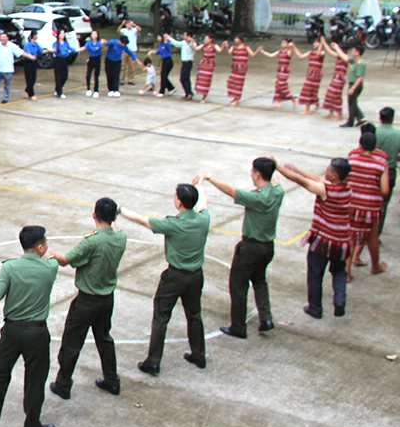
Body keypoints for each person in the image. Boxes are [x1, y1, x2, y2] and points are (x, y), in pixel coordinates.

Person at [0, 225, 58, 427]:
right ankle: (31, 425)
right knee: (35, 379)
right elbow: (55, 258)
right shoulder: (50, 268)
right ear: (39, 247)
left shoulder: (9, 268)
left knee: (0, 374)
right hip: (36, 331)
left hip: (11, 330)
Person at [123, 183, 210, 376]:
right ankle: (199, 353)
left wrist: (121, 210)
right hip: (196, 275)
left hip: (175, 276)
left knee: (161, 317)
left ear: (179, 201)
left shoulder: (174, 224)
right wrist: (201, 185)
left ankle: (153, 361)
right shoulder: (203, 219)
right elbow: (204, 203)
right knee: (194, 315)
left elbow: (143, 221)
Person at [48, 198, 126, 400]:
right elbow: (114, 228)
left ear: (94, 215)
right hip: (107, 299)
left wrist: (49, 253)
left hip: (87, 301)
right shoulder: (120, 238)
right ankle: (112, 379)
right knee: (104, 339)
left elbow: (66, 261)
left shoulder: (92, 242)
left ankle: (63, 383)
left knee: (72, 342)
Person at [202, 159, 284, 339]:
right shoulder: (277, 191)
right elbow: (276, 178)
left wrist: (209, 178)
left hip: (251, 247)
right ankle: (266, 317)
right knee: (260, 280)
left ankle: (238, 326)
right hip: (267, 247)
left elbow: (231, 191)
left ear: (257, 174)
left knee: (238, 286)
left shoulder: (256, 198)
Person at [276, 157, 353, 318]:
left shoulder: (326, 191)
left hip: (324, 240)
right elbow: (317, 179)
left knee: (315, 272)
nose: (326, 170)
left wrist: (278, 167)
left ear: (335, 175)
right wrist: (296, 168)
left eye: (329, 169)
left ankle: (315, 308)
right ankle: (339, 300)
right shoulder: (348, 188)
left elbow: (302, 182)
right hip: (342, 240)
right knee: (339, 271)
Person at [346, 130, 389, 277]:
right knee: (372, 237)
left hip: (352, 203)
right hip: (371, 206)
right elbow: (385, 190)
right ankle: (375, 266)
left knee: (351, 237)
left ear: (360, 144)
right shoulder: (381, 163)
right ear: (374, 147)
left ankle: (347, 271)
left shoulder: (351, 159)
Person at [0, 32, 34, 103]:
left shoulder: (12, 46)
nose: (3, 39)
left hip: (8, 69)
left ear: (7, 38)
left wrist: (30, 56)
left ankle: (5, 98)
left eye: (4, 37)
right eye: (1, 37)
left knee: (7, 84)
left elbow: (21, 52)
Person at [259, 38, 301, 109]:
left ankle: (293, 99)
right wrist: (262, 51)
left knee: (282, 86)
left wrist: (291, 46)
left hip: (284, 71)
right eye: (282, 43)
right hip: (279, 70)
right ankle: (278, 102)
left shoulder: (288, 52)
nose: (282, 44)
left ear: (287, 45)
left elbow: (290, 52)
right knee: (277, 85)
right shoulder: (280, 51)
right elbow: (271, 55)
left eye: (284, 43)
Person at [377, 107, 399, 231]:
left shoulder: (373, 132)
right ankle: (376, 233)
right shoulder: (397, 134)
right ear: (392, 118)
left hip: (373, 171)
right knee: (383, 204)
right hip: (390, 171)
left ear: (380, 118)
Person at [225, 36, 259, 106]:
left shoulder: (246, 47)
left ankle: (236, 99)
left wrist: (258, 50)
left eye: (236, 39)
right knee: (231, 81)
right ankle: (234, 97)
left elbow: (252, 54)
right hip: (234, 68)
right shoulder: (233, 47)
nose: (235, 40)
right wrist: (226, 47)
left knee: (238, 84)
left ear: (240, 40)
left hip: (241, 69)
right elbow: (228, 53)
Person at [322, 41, 349, 121]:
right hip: (335, 78)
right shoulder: (339, 56)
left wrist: (337, 47)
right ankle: (331, 112)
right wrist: (324, 43)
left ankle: (339, 115)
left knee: (336, 96)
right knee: (330, 94)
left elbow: (344, 57)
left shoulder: (345, 56)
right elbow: (330, 52)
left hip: (340, 79)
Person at [298, 38, 326, 115]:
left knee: (309, 90)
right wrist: (293, 47)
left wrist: (322, 44)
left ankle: (307, 109)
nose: (314, 44)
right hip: (310, 72)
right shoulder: (311, 52)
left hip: (316, 74)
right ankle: (317, 104)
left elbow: (318, 54)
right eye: (314, 42)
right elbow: (301, 56)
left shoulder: (323, 52)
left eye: (317, 43)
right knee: (312, 90)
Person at [341, 45, 367, 128]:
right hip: (352, 83)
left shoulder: (361, 63)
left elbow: (360, 77)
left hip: (355, 84)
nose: (352, 51)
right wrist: (336, 48)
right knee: (352, 102)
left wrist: (353, 88)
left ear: (357, 52)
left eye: (354, 50)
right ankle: (360, 118)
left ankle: (351, 121)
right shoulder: (355, 60)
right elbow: (345, 58)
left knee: (352, 103)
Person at [194, 35, 224, 104]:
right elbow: (195, 49)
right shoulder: (203, 45)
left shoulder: (214, 46)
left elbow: (220, 50)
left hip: (209, 65)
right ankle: (200, 93)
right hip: (203, 64)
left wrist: (223, 45)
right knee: (201, 79)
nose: (205, 40)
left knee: (206, 81)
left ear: (210, 40)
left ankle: (204, 97)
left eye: (206, 39)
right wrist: (192, 42)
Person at [171, 31, 195, 100]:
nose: (183, 36)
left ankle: (189, 93)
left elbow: (194, 47)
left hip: (188, 62)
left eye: (185, 35)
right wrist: (170, 38)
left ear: (188, 36)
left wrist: (191, 41)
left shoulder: (192, 43)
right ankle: (188, 92)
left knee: (184, 78)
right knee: (184, 78)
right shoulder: (183, 43)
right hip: (184, 63)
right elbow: (176, 43)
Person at [51, 29, 73, 99]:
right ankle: (60, 92)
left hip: (64, 60)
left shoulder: (66, 43)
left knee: (65, 76)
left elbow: (71, 48)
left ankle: (57, 89)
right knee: (58, 76)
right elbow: (54, 50)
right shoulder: (55, 43)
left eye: (63, 33)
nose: (62, 35)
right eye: (61, 33)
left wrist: (77, 49)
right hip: (58, 60)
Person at [22, 33, 44, 100]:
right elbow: (28, 53)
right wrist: (32, 56)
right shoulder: (28, 45)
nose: (37, 36)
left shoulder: (36, 44)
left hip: (34, 62)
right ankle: (31, 94)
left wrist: (49, 50)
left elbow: (41, 50)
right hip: (28, 62)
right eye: (36, 34)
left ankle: (27, 90)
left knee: (33, 78)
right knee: (29, 78)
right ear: (33, 36)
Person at [82, 30, 103, 98]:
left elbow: (96, 49)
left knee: (96, 76)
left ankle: (96, 90)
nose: (93, 35)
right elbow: (84, 48)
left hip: (97, 59)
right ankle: (88, 89)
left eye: (95, 34)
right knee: (88, 75)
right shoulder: (89, 43)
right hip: (91, 59)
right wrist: (76, 50)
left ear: (97, 36)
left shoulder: (99, 43)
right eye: (92, 34)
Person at [119, 18, 140, 84]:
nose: (129, 26)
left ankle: (131, 79)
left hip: (132, 50)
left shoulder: (134, 30)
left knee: (131, 66)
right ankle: (122, 79)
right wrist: (122, 24)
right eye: (128, 24)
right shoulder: (124, 30)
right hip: (124, 50)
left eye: (130, 24)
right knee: (123, 65)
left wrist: (134, 24)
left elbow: (140, 29)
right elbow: (118, 31)